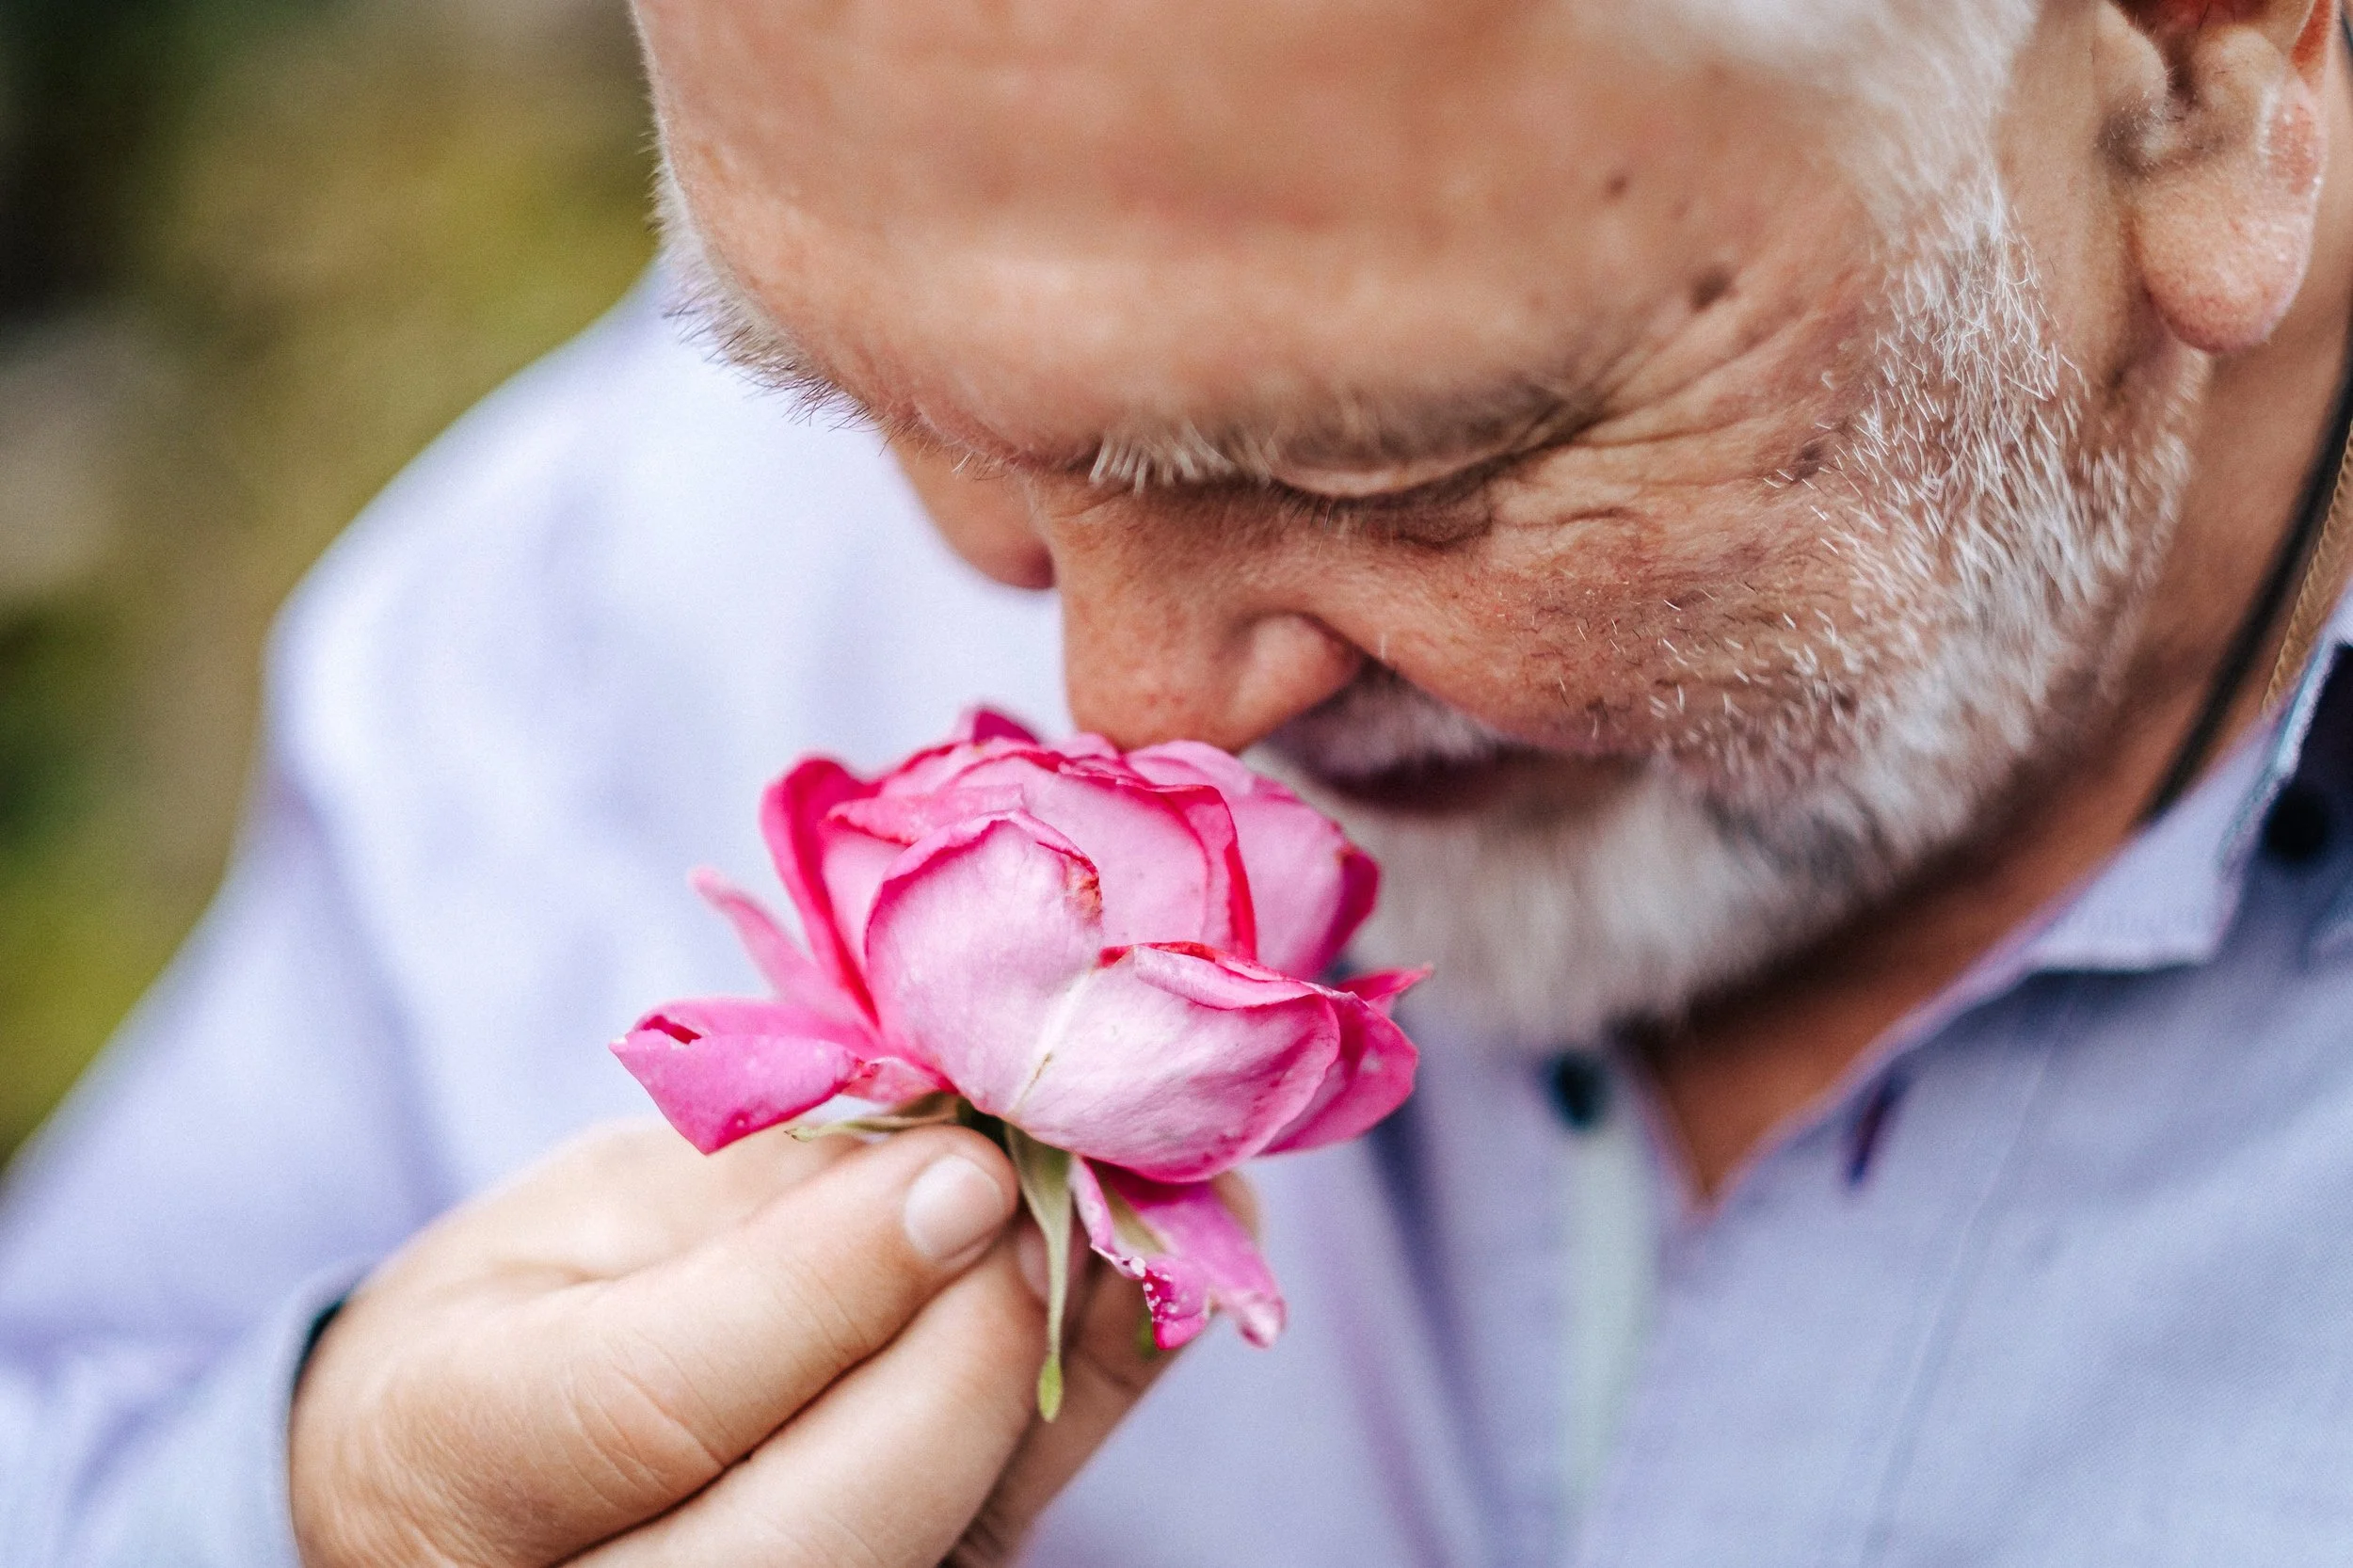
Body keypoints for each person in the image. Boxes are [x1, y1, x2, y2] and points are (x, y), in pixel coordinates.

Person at [9, 0, 2353, 1561]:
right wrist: (311, 1512)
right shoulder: (597, 616)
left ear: (2205, 63)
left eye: (1414, 468)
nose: (1116, 720)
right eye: (874, 400)